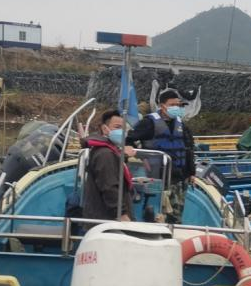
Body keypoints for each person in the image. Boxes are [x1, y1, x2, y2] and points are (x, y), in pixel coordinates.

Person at [127, 88, 197, 222]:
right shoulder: (149, 122)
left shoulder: (181, 124)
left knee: (176, 214)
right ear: (162, 106)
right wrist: (141, 155)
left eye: (178, 105)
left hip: (180, 177)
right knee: (157, 212)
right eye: (172, 105)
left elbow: (189, 148)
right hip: (158, 176)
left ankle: (173, 227)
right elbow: (129, 139)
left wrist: (191, 172)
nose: (176, 108)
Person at [81, 110, 136, 221]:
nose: (122, 132)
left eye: (124, 128)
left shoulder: (110, 151)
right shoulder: (105, 154)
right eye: (117, 127)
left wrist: (123, 156)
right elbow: (109, 187)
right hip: (107, 219)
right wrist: (122, 214)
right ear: (105, 129)